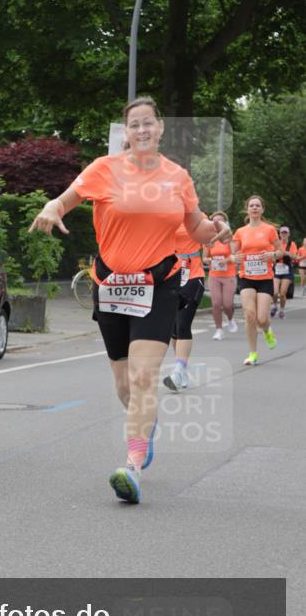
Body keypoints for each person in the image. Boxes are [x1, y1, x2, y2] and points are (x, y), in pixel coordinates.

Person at [30, 97, 231, 505]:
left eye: (148, 124)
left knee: (143, 378)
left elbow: (194, 227)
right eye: (133, 125)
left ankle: (132, 465)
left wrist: (216, 229)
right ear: (127, 133)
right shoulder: (105, 169)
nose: (141, 131)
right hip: (110, 285)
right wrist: (52, 207)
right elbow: (66, 198)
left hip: (158, 286)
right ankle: (145, 426)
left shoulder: (178, 177)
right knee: (124, 385)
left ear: (160, 129)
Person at [231, 195, 280, 366]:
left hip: (265, 278)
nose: (254, 208)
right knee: (250, 315)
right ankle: (253, 353)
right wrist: (234, 258)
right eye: (251, 205)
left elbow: (281, 252)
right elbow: (232, 254)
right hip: (246, 277)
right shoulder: (240, 232)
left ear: (262, 209)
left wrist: (272, 254)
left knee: (261, 318)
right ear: (247, 209)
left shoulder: (270, 230)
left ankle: (267, 330)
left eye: (257, 205)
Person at [162, 221, 206, 390]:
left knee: (183, 323)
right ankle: (181, 370)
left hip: (192, 275)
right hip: (170, 277)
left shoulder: (196, 216)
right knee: (173, 328)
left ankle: (178, 371)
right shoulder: (163, 215)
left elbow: (209, 234)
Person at [202, 211, 238, 340]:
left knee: (227, 304)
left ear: (225, 223)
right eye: (214, 221)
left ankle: (230, 318)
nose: (217, 224)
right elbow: (204, 257)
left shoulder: (230, 239)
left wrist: (226, 260)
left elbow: (235, 256)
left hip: (229, 275)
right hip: (214, 275)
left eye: (220, 221)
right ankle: (219, 330)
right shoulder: (209, 239)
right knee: (216, 303)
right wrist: (210, 260)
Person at [272, 226, 297, 319]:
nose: (284, 234)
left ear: (289, 234)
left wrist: (286, 253)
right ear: (279, 234)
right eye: (282, 233)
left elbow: (295, 257)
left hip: (287, 270)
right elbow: (272, 256)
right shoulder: (276, 243)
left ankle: (282, 310)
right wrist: (275, 257)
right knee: (274, 292)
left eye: (286, 233)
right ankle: (274, 306)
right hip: (277, 270)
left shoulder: (292, 244)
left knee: (282, 293)